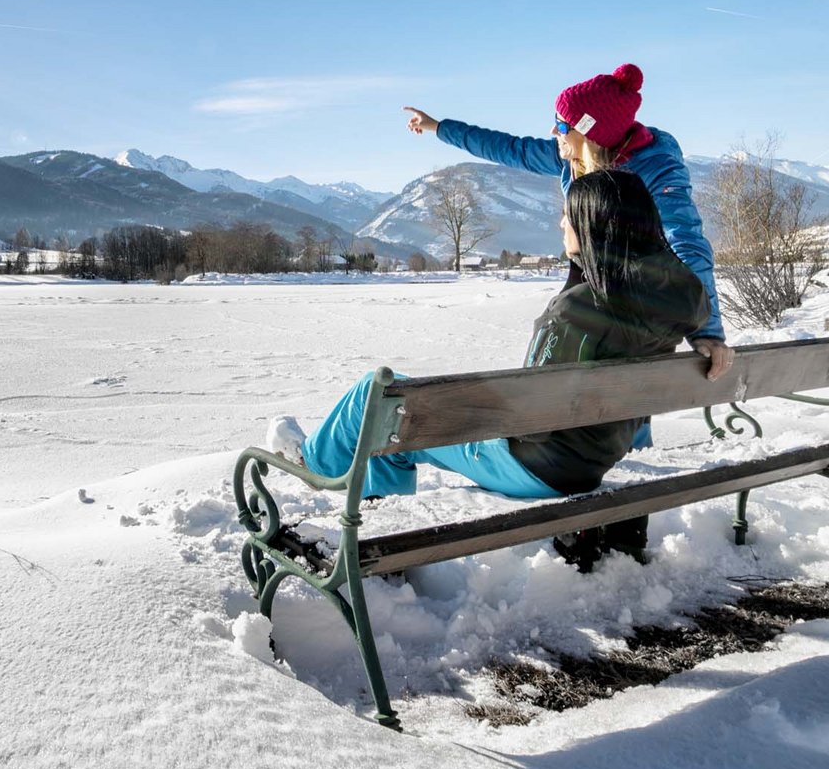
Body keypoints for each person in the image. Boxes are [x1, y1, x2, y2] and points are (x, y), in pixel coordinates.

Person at [300, 170, 710, 507]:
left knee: (379, 402)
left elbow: (529, 422)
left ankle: (313, 466)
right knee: (405, 412)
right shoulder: (675, 300)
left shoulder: (579, 309)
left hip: (537, 467)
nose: (561, 223)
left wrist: (474, 411)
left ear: (593, 224)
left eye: (568, 215)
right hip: (593, 458)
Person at [402, 63, 734, 403]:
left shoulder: (656, 169)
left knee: (613, 369)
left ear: (589, 131)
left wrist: (707, 333)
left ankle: (612, 437)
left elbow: (687, 242)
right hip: (592, 283)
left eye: (562, 124)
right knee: (562, 348)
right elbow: (507, 147)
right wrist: (440, 127)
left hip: (636, 297)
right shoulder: (569, 158)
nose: (553, 130)